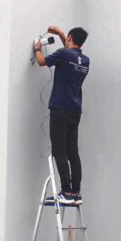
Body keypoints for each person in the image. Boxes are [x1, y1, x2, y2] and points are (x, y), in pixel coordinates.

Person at [34, 25, 90, 205]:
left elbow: (42, 61)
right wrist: (59, 33)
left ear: (71, 37)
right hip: (75, 110)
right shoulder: (85, 60)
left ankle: (65, 191)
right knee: (73, 152)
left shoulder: (64, 54)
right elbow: (69, 52)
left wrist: (36, 48)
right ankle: (75, 192)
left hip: (60, 108)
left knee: (59, 150)